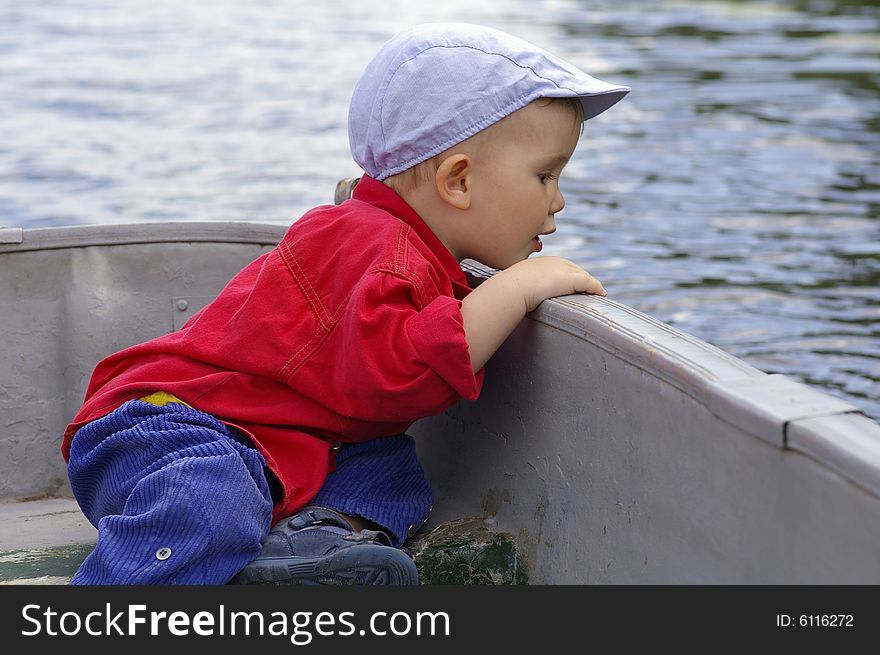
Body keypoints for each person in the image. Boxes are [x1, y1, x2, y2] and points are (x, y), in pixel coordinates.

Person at [61, 22, 629, 585]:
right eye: (545, 175)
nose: (558, 199)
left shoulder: (406, 245)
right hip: (175, 426)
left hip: (286, 442)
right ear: (458, 182)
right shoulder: (375, 246)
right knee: (209, 501)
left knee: (392, 477)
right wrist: (517, 287)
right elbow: (398, 376)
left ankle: (304, 553)